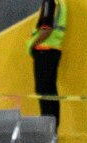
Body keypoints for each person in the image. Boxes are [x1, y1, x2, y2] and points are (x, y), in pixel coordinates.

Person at [26, 0, 66, 129]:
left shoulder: (50, 2)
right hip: (53, 50)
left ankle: (47, 130)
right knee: (50, 92)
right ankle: (52, 129)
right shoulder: (60, 3)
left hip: (44, 51)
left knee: (44, 92)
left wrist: (32, 44)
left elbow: (46, 30)